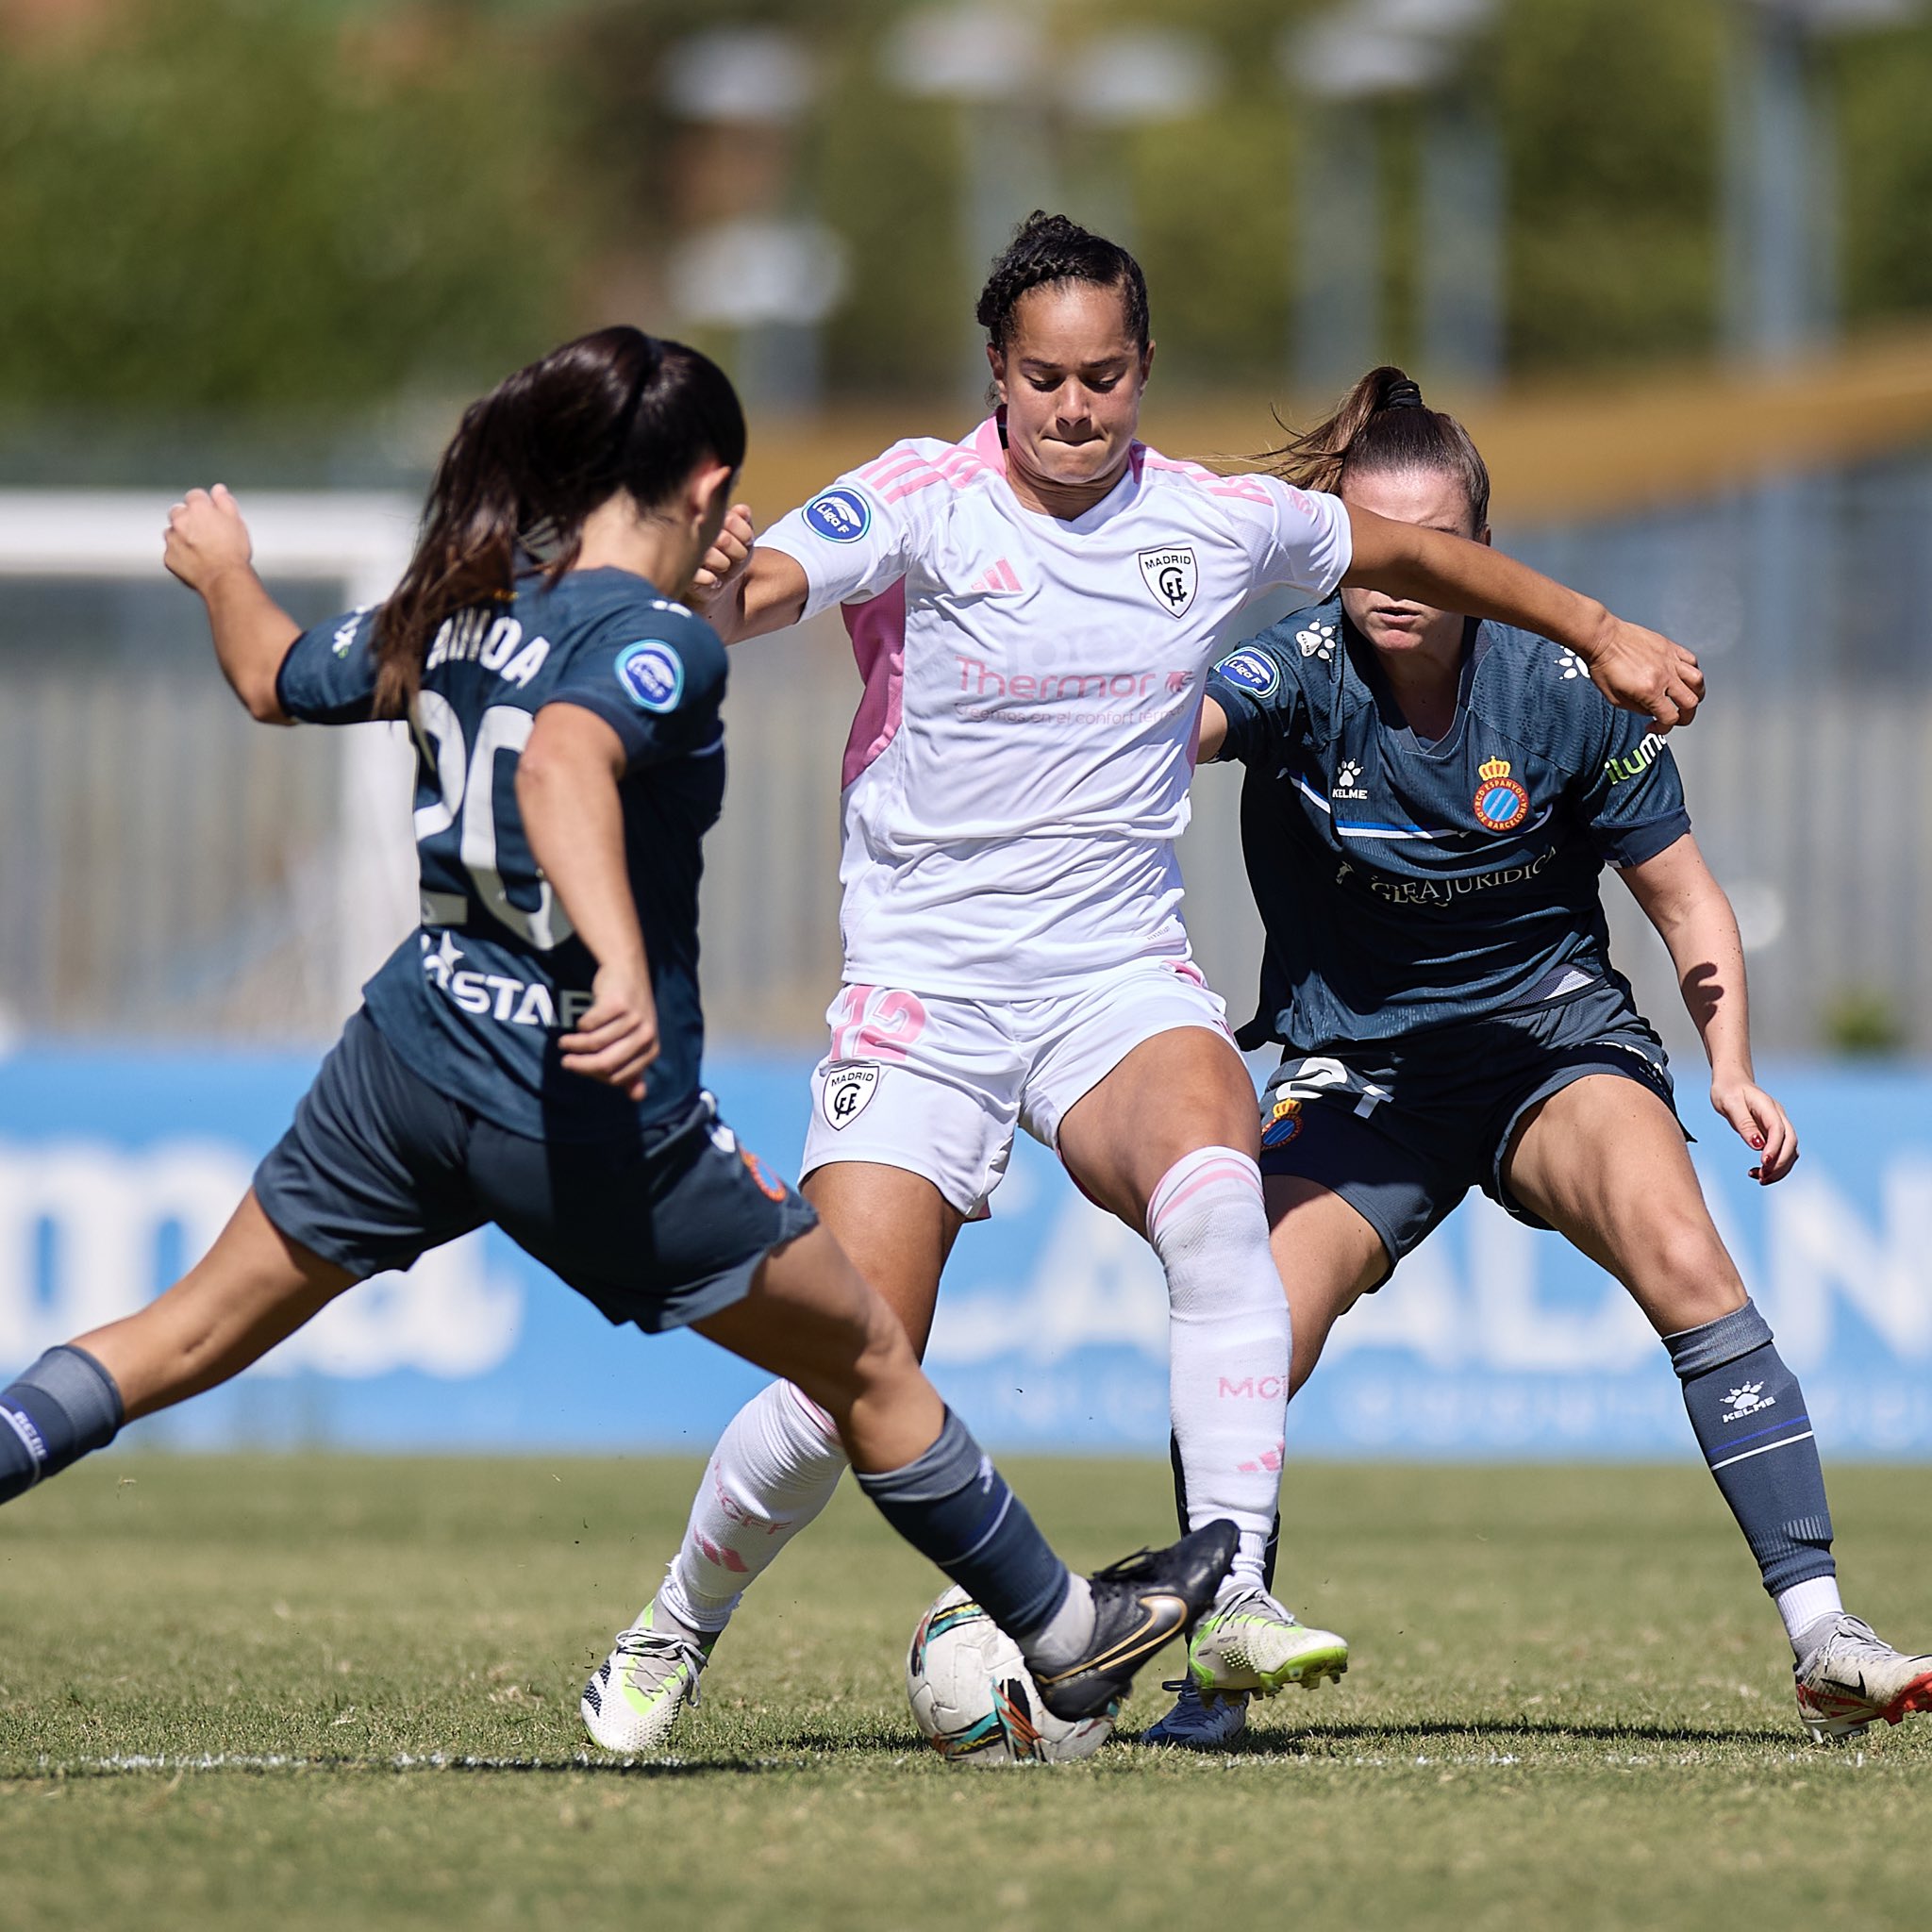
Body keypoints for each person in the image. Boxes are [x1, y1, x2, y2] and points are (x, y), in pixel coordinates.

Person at [0, 327, 1241, 1732]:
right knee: (865, 1359)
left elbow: (272, 676)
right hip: (582, 1099)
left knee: (181, 1332)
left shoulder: (457, 608)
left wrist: (222, 570)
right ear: (710, 488)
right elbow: (568, 764)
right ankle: (1068, 1631)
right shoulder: (659, 646)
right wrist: (613, 963)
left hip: (404, 1064)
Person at [583, 213, 1707, 1755]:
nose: (1071, 407)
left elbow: (1415, 552)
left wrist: (1602, 630)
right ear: (997, 369)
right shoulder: (924, 496)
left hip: (1115, 976)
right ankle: (669, 1630)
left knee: (1217, 1185)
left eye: (1102, 376)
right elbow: (774, 586)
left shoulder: (1213, 521)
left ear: (1144, 367)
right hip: (930, 991)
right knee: (852, 1363)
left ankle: (1232, 1589)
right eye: (1042, 377)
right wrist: (712, 583)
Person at [1143, 364, 1932, 1749]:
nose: (1395, 575)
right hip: (1362, 1082)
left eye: (1429, 548)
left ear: (1481, 557)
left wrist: (1729, 1062)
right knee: (1247, 1328)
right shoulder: (1297, 673)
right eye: (1369, 546)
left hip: (1546, 1047)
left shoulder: (1564, 693)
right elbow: (1174, 730)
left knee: (1689, 1263)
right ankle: (1223, 1658)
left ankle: (1824, 1637)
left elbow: (1686, 900)